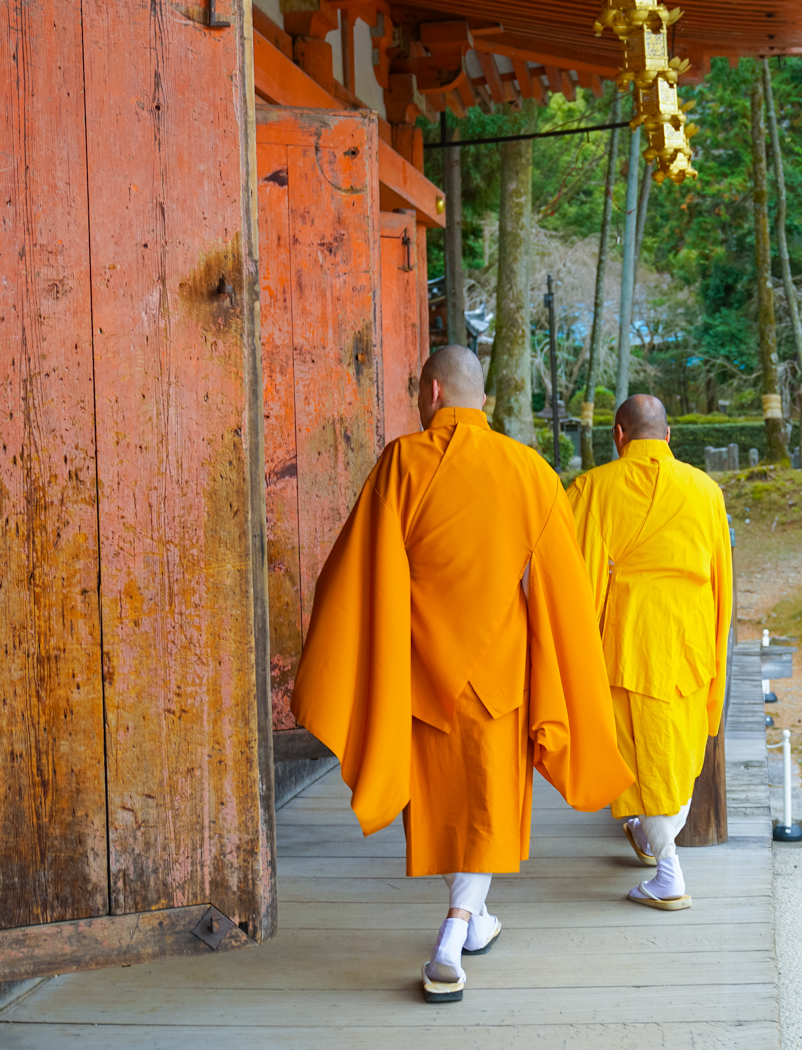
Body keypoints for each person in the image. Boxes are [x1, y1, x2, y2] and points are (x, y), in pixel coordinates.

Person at [292, 346, 632, 1003]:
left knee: (447, 808)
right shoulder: (529, 471)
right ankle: (457, 930)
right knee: (486, 808)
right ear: (483, 400)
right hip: (499, 676)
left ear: (433, 392)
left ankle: (466, 922)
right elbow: (557, 588)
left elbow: (358, 567)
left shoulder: (401, 462)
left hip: (418, 675)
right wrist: (563, 667)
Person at [566, 394, 734, 911]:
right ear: (667, 436)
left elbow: (568, 573)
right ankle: (649, 836)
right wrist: (717, 642)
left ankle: (669, 873)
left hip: (626, 642)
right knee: (674, 753)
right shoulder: (707, 491)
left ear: (619, 434)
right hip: (688, 643)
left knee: (643, 757)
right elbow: (721, 583)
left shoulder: (593, 488)